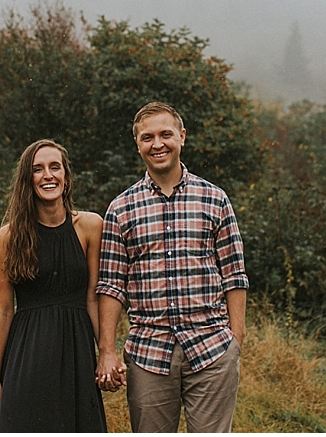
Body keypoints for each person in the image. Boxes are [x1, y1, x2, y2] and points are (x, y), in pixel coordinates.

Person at [95, 102, 249, 432]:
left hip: (211, 349)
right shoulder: (120, 210)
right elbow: (110, 286)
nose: (158, 144)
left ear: (182, 136)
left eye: (166, 134)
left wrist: (235, 338)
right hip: (149, 354)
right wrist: (107, 351)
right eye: (147, 137)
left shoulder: (214, 199)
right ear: (137, 144)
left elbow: (234, 274)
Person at [0, 139, 108, 433]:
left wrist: (106, 353)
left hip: (76, 353)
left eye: (55, 167)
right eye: (38, 169)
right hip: (27, 354)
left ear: (66, 175)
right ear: (28, 179)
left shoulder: (90, 226)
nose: (48, 175)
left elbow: (93, 297)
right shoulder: (8, 237)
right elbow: (2, 310)